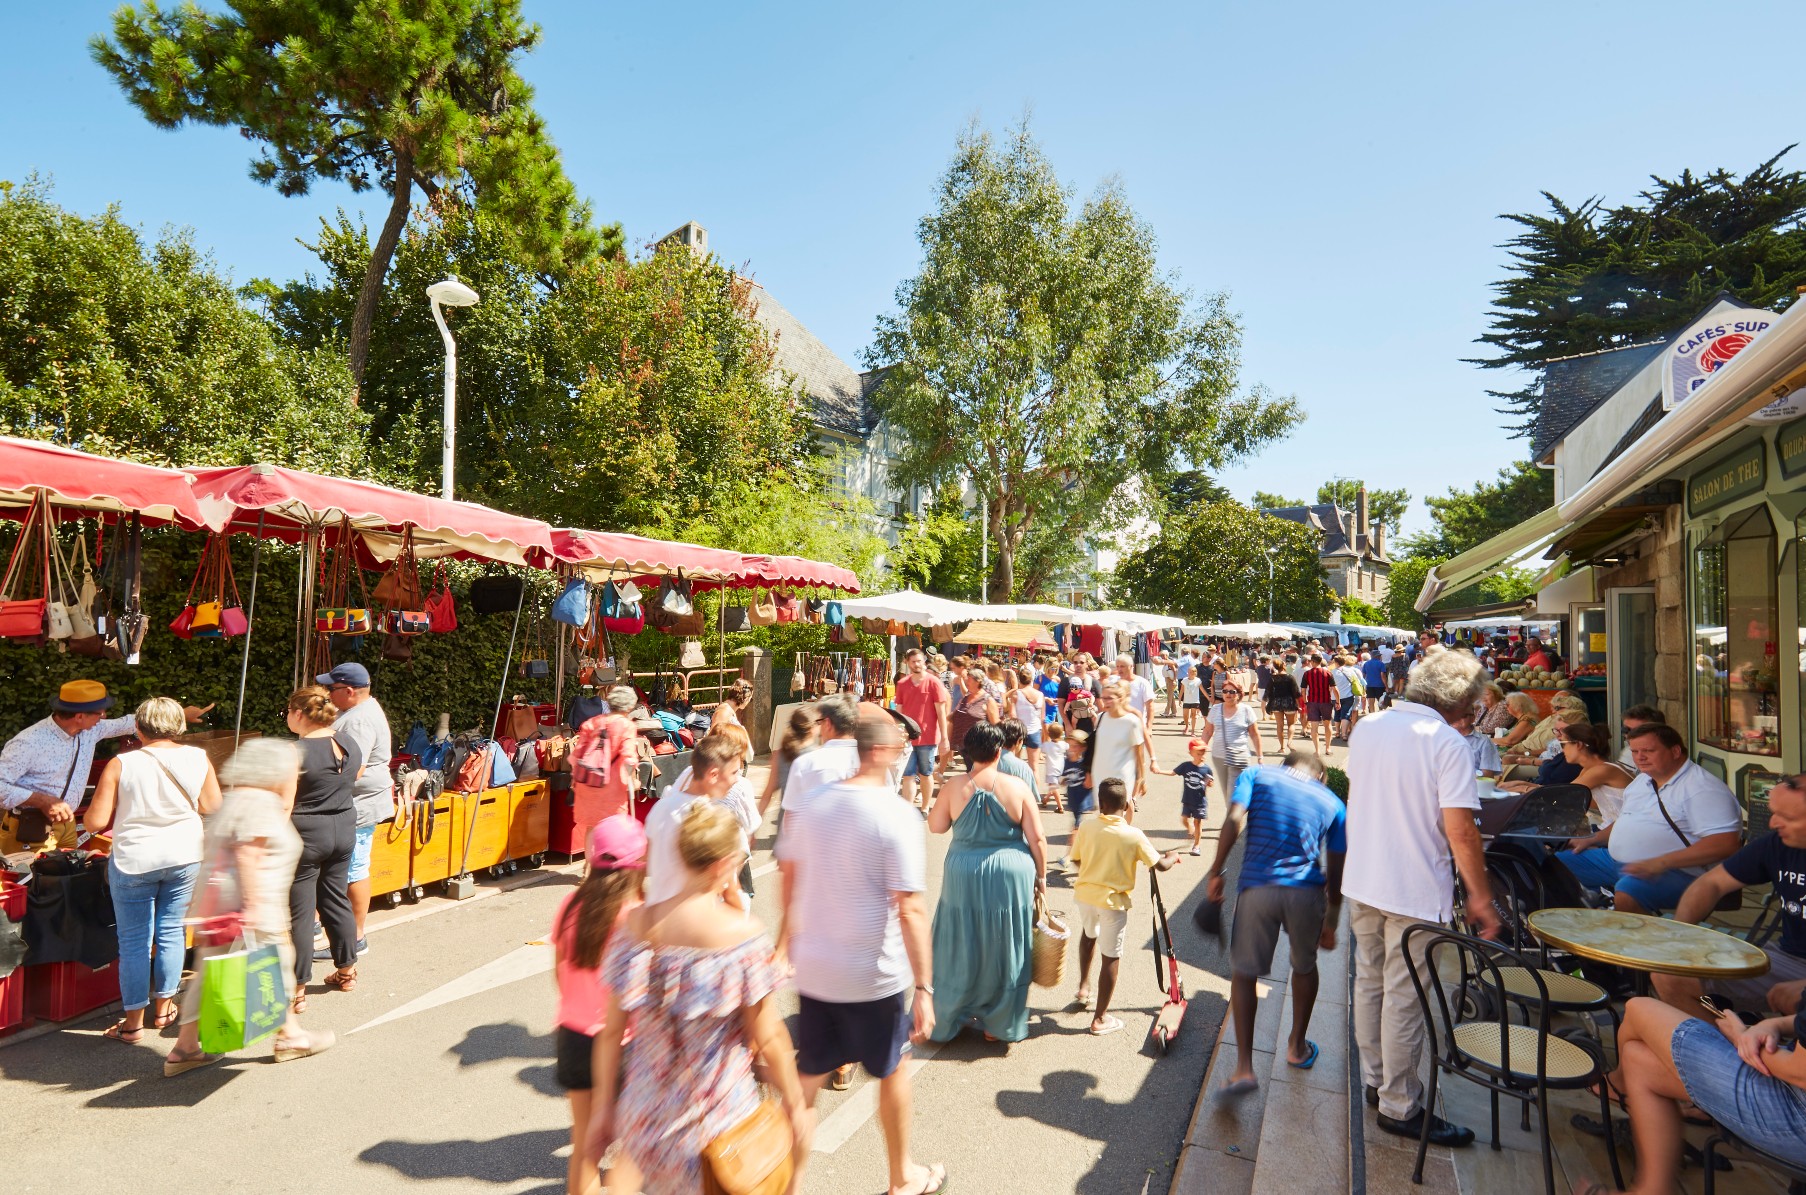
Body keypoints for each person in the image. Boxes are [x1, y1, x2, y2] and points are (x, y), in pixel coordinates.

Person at [588, 801, 812, 1195]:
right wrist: (795, 1102)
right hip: (715, 1124)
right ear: (722, 864)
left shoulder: (636, 927)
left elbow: (610, 1034)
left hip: (646, 1123)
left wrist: (603, 1108)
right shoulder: (740, 937)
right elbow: (770, 1036)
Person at [776, 715, 945, 1194]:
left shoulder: (814, 805)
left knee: (809, 1079)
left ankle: (787, 1185)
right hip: (873, 973)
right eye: (899, 750)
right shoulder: (895, 814)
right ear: (884, 752)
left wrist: (791, 939)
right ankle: (902, 1176)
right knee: (893, 1071)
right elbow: (910, 907)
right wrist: (925, 988)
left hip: (818, 968)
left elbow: (789, 877)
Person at [1343, 648, 1501, 1146]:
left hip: (1364, 876)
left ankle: (1376, 1081)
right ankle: (1398, 1103)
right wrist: (1481, 895)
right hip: (1411, 885)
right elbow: (1461, 830)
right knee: (1406, 996)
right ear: (1463, 703)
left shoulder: (1369, 726)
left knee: (1371, 982)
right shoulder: (1445, 742)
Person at [164, 739, 332, 1075]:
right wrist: (253, 906)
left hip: (221, 905)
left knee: (212, 973)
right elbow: (248, 853)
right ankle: (291, 1037)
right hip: (253, 902)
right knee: (275, 967)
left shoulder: (237, 798)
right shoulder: (260, 802)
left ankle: (185, 1049)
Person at [82, 696, 220, 1043]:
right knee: (172, 931)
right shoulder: (198, 757)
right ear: (180, 726)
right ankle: (164, 1011)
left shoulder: (121, 764)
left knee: (134, 942)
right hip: (184, 855)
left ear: (139, 729)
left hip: (134, 860)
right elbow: (212, 805)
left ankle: (132, 1024)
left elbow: (96, 822)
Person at [1568, 994, 1806, 1195]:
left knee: (1639, 1008)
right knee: (1637, 1059)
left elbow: (1800, 1072)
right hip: (1792, 1088)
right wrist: (1773, 1025)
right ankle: (1651, 1189)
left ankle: (1617, 1088)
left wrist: (1740, 1035)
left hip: (1795, 1113)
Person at [1207, 749, 1347, 1092]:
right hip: (1305, 894)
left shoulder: (1257, 775)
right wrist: (1332, 918)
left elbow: (1234, 818)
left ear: (1287, 766)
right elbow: (1338, 864)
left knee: (1244, 974)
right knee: (1303, 966)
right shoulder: (1332, 801)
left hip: (1258, 889)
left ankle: (1243, 1068)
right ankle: (1297, 1048)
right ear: (1322, 777)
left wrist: (1216, 871)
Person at [927, 721, 1044, 1045]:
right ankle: (999, 1023)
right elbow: (1038, 839)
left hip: (963, 872)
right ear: (998, 751)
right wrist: (1042, 877)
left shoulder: (953, 786)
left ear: (968, 752)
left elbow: (936, 827)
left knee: (959, 941)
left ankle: (953, 1013)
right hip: (1010, 872)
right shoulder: (1016, 786)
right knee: (1005, 945)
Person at [1652, 775, 1806, 1018]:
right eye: (1773, 812)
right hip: (1788, 957)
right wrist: (1680, 934)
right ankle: (1729, 1048)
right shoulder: (1778, 844)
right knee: (1669, 974)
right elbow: (1711, 883)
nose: (1773, 823)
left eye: (1787, 817)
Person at [1, 680, 210, 854]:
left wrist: (179, 714)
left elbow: (130, 723)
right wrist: (42, 800)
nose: (104, 717)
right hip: (30, 827)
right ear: (79, 716)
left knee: (65, 887)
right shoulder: (28, 742)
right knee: (30, 892)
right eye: (99, 713)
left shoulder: (90, 729)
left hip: (67, 825)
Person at [1555, 723, 1742, 914]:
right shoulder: (1643, 780)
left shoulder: (1701, 788)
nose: (1640, 757)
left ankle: (1639, 940)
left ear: (1675, 751)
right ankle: (1585, 920)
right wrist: (1592, 839)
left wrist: (1661, 862)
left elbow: (1724, 844)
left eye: (1648, 751)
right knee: (1552, 865)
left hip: (1679, 871)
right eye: (1635, 751)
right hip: (1619, 862)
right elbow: (1627, 819)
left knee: (1629, 890)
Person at [553, 816, 646, 1195]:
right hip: (625, 1043)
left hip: (573, 1036)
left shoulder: (569, 904)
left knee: (586, 1148)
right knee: (637, 1146)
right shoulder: (636, 916)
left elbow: (559, 974)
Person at [1069, 777, 1182, 1036]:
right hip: (1113, 903)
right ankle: (1099, 1019)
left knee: (1088, 936)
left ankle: (1084, 986)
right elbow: (1159, 866)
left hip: (1085, 897)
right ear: (1127, 805)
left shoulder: (1086, 828)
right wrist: (1172, 857)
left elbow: (1076, 860)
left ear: (1100, 803)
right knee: (1111, 956)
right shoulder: (1133, 835)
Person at [282, 685, 359, 999]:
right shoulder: (348, 741)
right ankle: (347, 971)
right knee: (335, 898)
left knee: (301, 910)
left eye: (287, 711)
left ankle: (298, 986)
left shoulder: (294, 752)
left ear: (299, 714)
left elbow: (286, 804)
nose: (287, 717)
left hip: (307, 831)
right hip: (343, 825)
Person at [319, 662, 391, 955]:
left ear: (349, 691)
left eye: (331, 689)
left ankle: (355, 938)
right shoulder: (356, 712)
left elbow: (353, 769)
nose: (327, 694)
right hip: (359, 801)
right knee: (351, 867)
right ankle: (346, 934)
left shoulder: (359, 720)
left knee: (354, 869)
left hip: (360, 802)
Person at [646, 733, 757, 904]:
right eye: (734, 772)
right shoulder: (710, 819)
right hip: (692, 919)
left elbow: (648, 860)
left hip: (658, 911)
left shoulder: (660, 807)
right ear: (713, 775)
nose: (736, 780)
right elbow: (728, 885)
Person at [783, 692, 860, 822]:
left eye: (819, 722)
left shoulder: (806, 764)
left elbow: (791, 817)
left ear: (828, 723)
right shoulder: (875, 766)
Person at [572, 685, 639, 832]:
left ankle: (591, 856)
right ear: (629, 706)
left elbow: (576, 755)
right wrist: (633, 781)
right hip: (611, 786)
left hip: (587, 780)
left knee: (592, 828)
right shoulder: (626, 726)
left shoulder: (593, 722)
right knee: (614, 830)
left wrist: (574, 779)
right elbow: (629, 759)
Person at [1088, 681, 1152, 824]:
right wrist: (1088, 772)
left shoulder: (1131, 722)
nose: (1106, 702)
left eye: (1110, 698)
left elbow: (1139, 755)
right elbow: (1095, 747)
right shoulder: (1100, 718)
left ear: (1121, 698)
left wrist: (1141, 779)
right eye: (1103, 698)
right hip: (1100, 772)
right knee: (1104, 810)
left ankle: (1124, 832)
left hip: (1121, 775)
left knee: (1121, 808)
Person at [894, 648, 949, 812]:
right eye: (913, 662)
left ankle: (925, 807)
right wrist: (898, 733)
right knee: (908, 775)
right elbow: (899, 712)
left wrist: (944, 738)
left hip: (928, 737)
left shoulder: (934, 682)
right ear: (908, 663)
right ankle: (908, 810)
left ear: (924, 661)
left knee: (926, 773)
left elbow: (941, 712)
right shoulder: (903, 684)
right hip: (908, 738)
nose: (917, 664)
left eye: (919, 661)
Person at [1201, 676, 1263, 801]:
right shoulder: (1215, 709)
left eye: (1232, 692)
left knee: (1233, 795)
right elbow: (1207, 731)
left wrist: (1260, 757)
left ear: (1239, 694)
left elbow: (1255, 735)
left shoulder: (1246, 710)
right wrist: (1200, 751)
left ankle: (1234, 817)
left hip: (1239, 757)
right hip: (1219, 757)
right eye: (1225, 691)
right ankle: (1234, 817)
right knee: (1227, 794)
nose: (1228, 694)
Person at [760, 704, 819, 827]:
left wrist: (754, 826)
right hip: (809, 826)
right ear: (811, 728)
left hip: (786, 825)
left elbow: (767, 794)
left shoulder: (780, 755)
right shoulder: (818, 756)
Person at [1171, 739, 1214, 856]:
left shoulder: (1207, 769)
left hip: (1200, 801)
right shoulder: (1186, 766)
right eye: (1198, 753)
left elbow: (1210, 782)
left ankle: (1196, 846)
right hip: (1187, 799)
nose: (1201, 756)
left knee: (1198, 823)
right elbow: (1173, 772)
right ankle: (1190, 828)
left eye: (1202, 753)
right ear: (1191, 753)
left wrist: (1209, 783)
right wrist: (1159, 771)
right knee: (1184, 819)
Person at [1300, 654, 1337, 756]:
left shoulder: (1307, 674)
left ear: (1312, 662)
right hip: (1325, 701)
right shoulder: (1328, 673)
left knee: (1314, 727)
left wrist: (1305, 701)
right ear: (1320, 661)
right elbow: (1334, 688)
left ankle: (1317, 750)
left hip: (1312, 702)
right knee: (1327, 724)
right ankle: (1328, 748)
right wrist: (1338, 701)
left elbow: (1303, 690)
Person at [1111, 657, 1156, 734]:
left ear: (1131, 667)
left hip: (1137, 727)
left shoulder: (1142, 683)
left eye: (1122, 666)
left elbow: (1150, 706)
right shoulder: (1113, 683)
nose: (1119, 669)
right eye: (1117, 666)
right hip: (1117, 727)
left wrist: (1149, 727)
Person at [1266, 664, 1300, 753]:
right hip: (1289, 702)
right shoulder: (1290, 677)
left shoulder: (1272, 678)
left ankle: (1282, 748)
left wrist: (1268, 703)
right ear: (1284, 667)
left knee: (1279, 725)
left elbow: (1268, 692)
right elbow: (1296, 692)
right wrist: (1298, 704)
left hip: (1276, 703)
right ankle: (1289, 742)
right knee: (1291, 724)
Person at [1041, 722, 1068, 814]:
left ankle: (1060, 807)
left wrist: (1045, 734)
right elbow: (1068, 747)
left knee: (1054, 787)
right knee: (1053, 787)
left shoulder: (1047, 745)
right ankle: (1045, 799)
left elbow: (1042, 749)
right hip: (1060, 769)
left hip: (1051, 769)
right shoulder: (1063, 744)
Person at [1359, 651, 1387, 715]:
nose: (1380, 657)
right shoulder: (1381, 664)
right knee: (1380, 700)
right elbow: (1383, 676)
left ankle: (1372, 714)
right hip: (1379, 685)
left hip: (1369, 684)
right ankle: (1381, 713)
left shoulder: (1366, 664)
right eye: (1379, 655)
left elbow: (1363, 675)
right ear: (1377, 656)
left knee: (1371, 701)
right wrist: (1386, 686)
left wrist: (1363, 686)